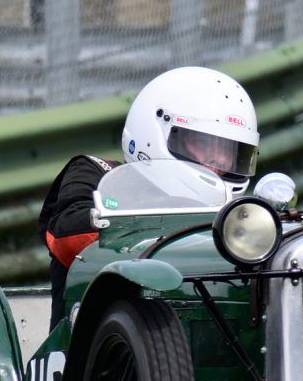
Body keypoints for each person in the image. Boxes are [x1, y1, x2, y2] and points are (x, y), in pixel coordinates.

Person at [38, 66, 261, 320]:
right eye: (206, 146)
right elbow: (67, 238)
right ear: (156, 131)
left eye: (231, 153)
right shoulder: (94, 173)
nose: (218, 163)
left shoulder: (235, 212)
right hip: (104, 343)